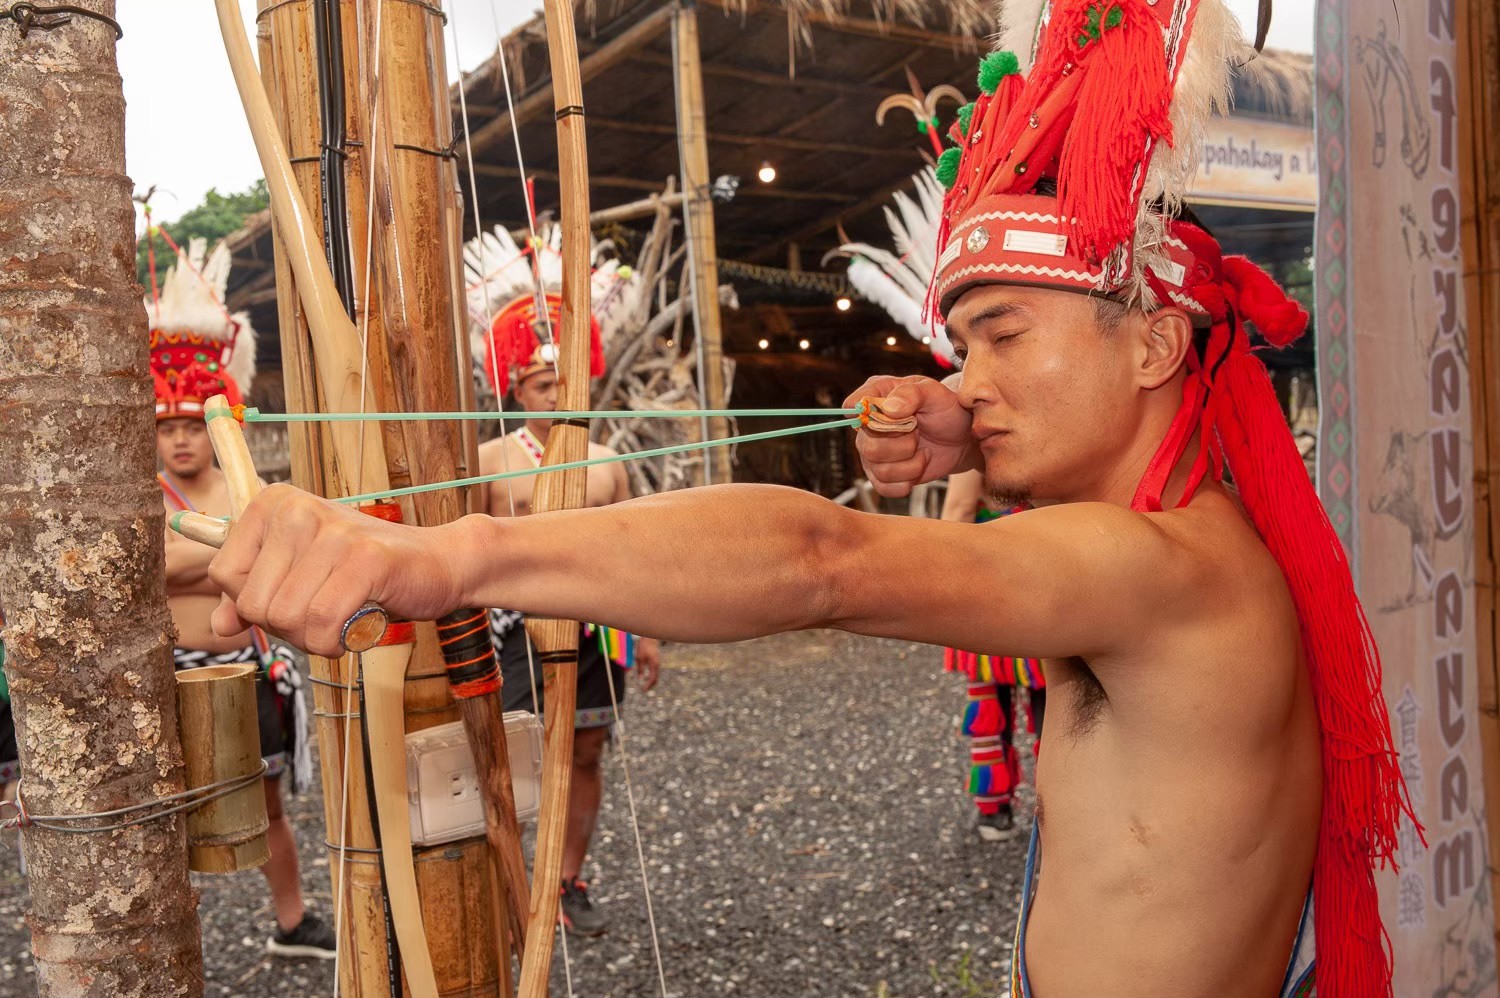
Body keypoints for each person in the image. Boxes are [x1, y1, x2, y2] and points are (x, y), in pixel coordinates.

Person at [201, 4, 1414, 996]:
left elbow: (821, 560)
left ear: (1152, 345)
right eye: (962, 349)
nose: (964, 379)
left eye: (998, 337)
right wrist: (979, 426)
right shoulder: (1192, 522)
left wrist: (447, 558)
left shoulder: (1161, 568)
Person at [150, 239, 334, 959]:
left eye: (193, 425)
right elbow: (163, 570)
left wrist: (188, 562)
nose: (182, 441)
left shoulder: (242, 485)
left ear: (214, 426)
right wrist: (219, 557)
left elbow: (245, 561)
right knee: (160, 811)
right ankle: (163, 940)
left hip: (247, 666)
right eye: (168, 428)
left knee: (268, 807)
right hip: (172, 667)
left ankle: (292, 920)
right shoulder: (140, 494)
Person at [475, 290, 661, 937]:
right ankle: (507, 880)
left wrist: (648, 633)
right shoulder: (491, 461)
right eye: (542, 382)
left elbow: (634, 555)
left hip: (595, 629)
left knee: (585, 752)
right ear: (519, 390)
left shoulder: (608, 462)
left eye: (566, 382)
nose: (556, 394)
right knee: (507, 756)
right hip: (514, 631)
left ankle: (567, 878)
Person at [939, 472, 1046, 842]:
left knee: (989, 708)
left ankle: (995, 812)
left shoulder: (974, 451)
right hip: (1043, 588)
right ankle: (1061, 809)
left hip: (986, 594)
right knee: (1051, 707)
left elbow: (959, 511)